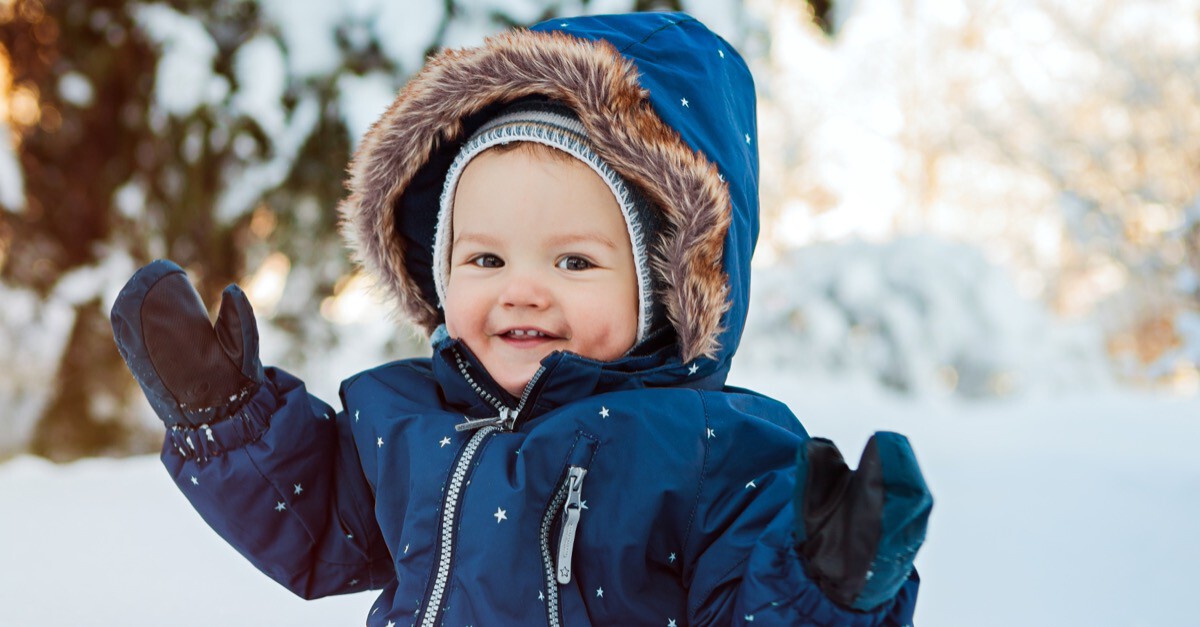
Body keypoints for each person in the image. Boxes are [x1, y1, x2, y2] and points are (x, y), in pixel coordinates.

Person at [110, 12, 931, 626]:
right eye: (486, 259)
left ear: (666, 283)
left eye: (573, 262)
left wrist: (825, 584)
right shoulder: (408, 418)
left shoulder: (708, 446)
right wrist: (231, 416)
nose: (521, 291)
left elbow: (748, 609)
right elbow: (318, 521)